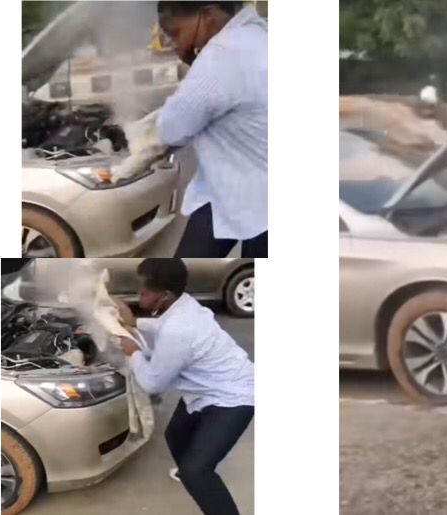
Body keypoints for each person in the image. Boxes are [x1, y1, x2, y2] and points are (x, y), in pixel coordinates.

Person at [117, 258, 254, 515]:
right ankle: (192, 478)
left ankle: (198, 481)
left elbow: (151, 383)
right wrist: (134, 322)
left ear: (165, 296)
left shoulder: (178, 331)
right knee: (175, 436)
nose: (139, 296)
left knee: (197, 470)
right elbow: (162, 326)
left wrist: (133, 352)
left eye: (144, 292)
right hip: (205, 389)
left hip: (234, 396)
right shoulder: (184, 304)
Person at [156, 1, 268, 257]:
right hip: (230, 190)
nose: (172, 44)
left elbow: (170, 130)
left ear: (208, 15)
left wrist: (195, 64)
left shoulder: (221, 55)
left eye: (175, 33)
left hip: (256, 200)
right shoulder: (258, 35)